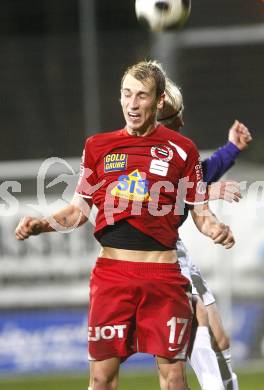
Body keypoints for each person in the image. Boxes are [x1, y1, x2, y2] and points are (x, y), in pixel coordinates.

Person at [15, 60, 235, 390]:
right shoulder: (97, 147)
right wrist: (42, 225)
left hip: (163, 280)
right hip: (112, 278)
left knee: (174, 378)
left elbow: (201, 213)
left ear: (159, 101)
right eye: (126, 94)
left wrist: (215, 227)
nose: (132, 104)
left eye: (141, 96)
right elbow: (78, 210)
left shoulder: (183, 150)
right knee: (101, 378)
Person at [157, 76, 252, 390]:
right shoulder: (139, 152)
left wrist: (231, 149)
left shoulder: (181, 152)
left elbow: (200, 175)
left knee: (217, 338)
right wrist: (209, 191)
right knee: (181, 355)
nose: (182, 121)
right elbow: (156, 196)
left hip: (175, 251)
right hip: (152, 256)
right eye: (176, 116)